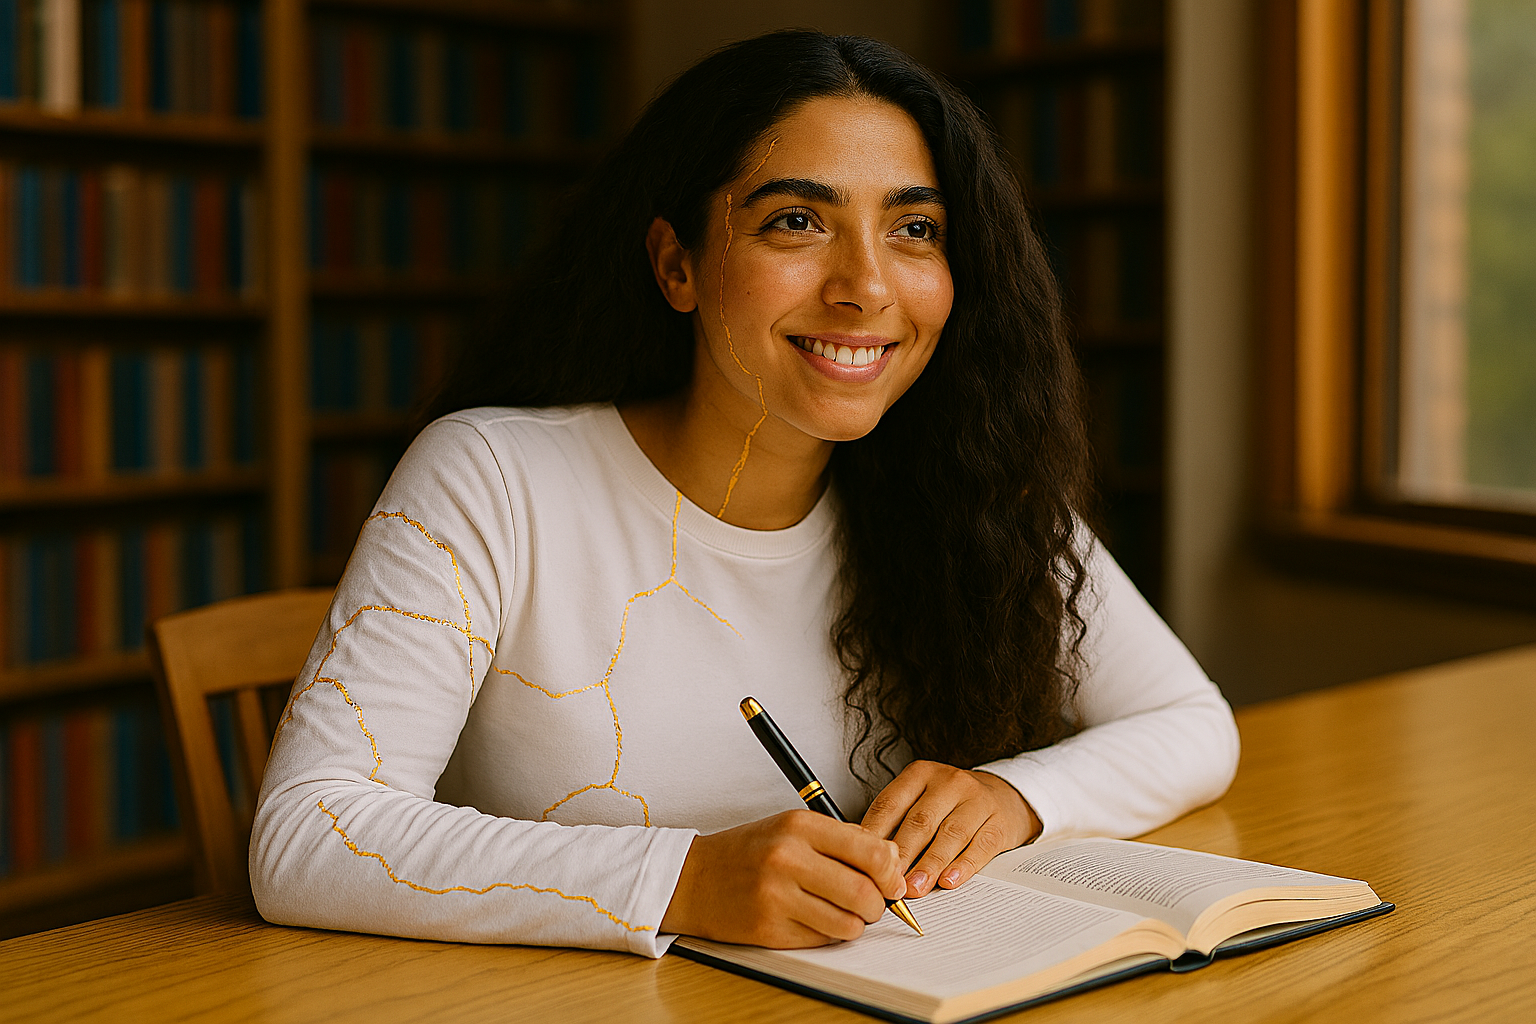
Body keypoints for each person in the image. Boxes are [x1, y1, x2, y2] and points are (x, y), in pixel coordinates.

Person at [251, 31, 1239, 957]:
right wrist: (683, 879)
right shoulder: (493, 476)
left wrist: (1018, 795)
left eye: (914, 229)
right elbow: (308, 833)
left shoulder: (964, 482)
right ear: (677, 264)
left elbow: (1193, 723)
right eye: (797, 222)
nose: (865, 286)